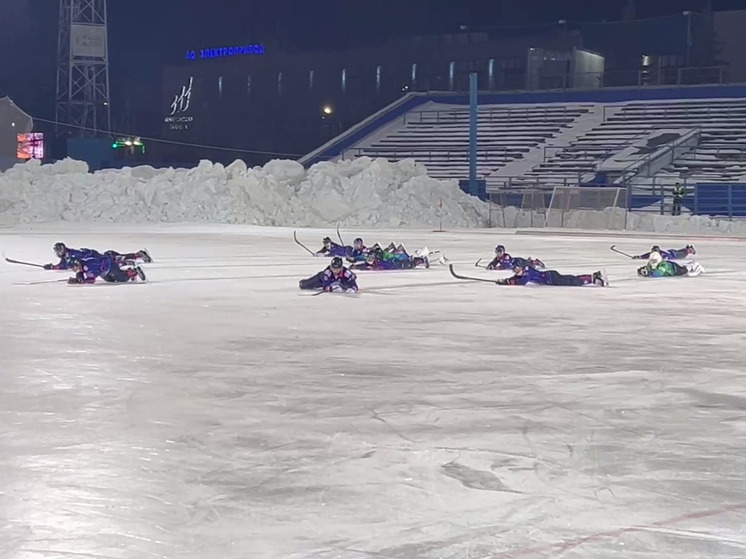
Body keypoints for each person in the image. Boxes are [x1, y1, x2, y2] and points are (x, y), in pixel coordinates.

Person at [44, 242, 151, 270]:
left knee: (115, 260)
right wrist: (53, 267)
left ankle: (138, 255)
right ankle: (130, 260)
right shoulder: (67, 255)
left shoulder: (72, 254)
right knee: (115, 261)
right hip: (97, 258)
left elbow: (67, 264)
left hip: (98, 258)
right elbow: (64, 265)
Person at [496, 262, 607, 287]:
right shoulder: (523, 271)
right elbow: (516, 278)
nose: (514, 271)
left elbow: (522, 282)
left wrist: (509, 283)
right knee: (571, 278)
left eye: (515, 269)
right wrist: (505, 280)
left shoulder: (526, 272)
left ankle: (593, 279)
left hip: (550, 279)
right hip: (550, 275)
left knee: (572, 282)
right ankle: (594, 276)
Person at [67, 254, 146, 285]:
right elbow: (81, 272)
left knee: (122, 278)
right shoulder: (84, 263)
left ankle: (134, 271)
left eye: (74, 267)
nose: (75, 270)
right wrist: (79, 277)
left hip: (108, 267)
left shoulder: (89, 267)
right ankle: (128, 271)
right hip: (104, 271)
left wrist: (80, 280)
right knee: (110, 280)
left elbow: (91, 279)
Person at [637, 251, 704, 278]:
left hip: (674, 270)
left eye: (654, 261)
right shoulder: (650, 264)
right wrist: (642, 270)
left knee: (684, 270)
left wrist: (648, 273)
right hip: (671, 268)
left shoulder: (663, 265)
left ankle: (694, 265)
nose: (652, 262)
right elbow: (647, 268)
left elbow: (658, 274)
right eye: (651, 260)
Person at [351, 247, 428, 270]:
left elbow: (368, 266)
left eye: (370, 259)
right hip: (395, 262)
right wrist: (356, 266)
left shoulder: (380, 262)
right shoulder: (374, 262)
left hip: (397, 264)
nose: (369, 260)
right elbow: (366, 265)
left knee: (410, 264)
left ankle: (422, 260)